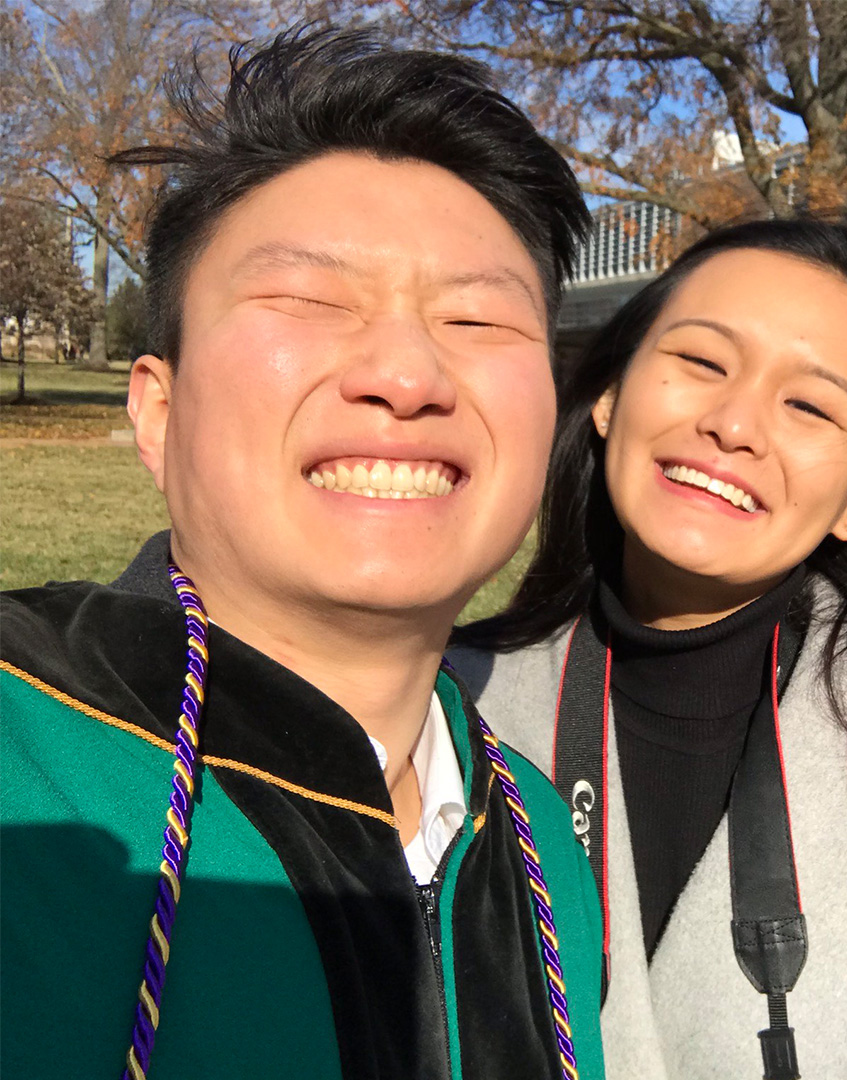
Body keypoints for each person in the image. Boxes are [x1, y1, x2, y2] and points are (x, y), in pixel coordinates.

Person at [0, 27, 605, 1080]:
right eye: (312, 303)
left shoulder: (543, 841)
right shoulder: (25, 762)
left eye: (477, 319)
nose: (407, 373)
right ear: (158, 408)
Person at [451, 218, 847, 1080]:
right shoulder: (445, 707)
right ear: (612, 396)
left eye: (809, 405)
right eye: (700, 362)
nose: (734, 425)